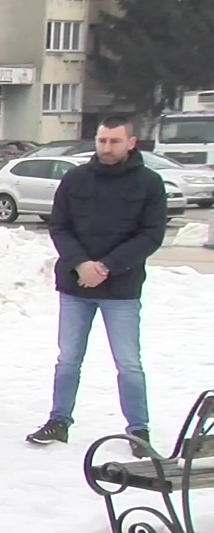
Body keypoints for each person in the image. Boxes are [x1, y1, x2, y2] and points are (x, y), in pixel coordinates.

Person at [27, 117, 169, 447]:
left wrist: (105, 266)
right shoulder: (75, 179)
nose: (107, 147)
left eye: (114, 141)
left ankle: (138, 429)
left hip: (121, 289)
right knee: (68, 359)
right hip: (75, 286)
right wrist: (80, 263)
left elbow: (151, 235)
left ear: (131, 143)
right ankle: (58, 420)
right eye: (102, 140)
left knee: (128, 363)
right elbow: (59, 226)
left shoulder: (149, 183)